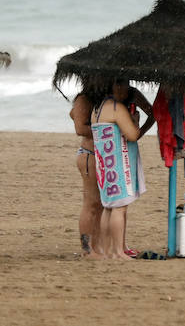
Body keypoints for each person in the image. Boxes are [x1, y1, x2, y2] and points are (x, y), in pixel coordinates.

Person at [91, 79, 147, 259]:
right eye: (121, 84)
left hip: (105, 164)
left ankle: (108, 250)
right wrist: (136, 121)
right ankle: (118, 251)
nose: (126, 89)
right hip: (117, 161)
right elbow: (132, 135)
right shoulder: (116, 108)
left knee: (108, 206)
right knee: (120, 207)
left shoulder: (97, 108)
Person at [111, 80, 155, 257]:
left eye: (123, 83)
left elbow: (153, 113)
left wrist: (140, 131)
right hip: (112, 148)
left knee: (124, 200)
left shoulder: (133, 94)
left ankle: (121, 245)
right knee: (117, 202)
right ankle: (115, 247)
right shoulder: (107, 97)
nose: (120, 87)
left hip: (128, 146)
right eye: (118, 84)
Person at [70, 89, 103, 257]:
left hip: (101, 155)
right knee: (91, 203)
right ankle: (87, 249)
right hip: (89, 155)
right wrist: (107, 130)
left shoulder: (102, 97)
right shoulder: (84, 98)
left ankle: (96, 246)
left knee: (100, 205)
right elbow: (79, 128)